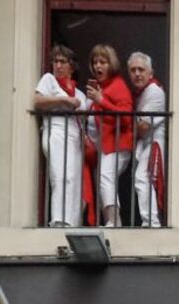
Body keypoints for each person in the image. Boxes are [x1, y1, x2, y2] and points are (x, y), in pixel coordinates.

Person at [35, 45, 87, 227]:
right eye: (55, 61)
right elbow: (38, 101)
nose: (57, 65)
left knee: (74, 179)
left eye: (62, 62)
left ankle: (72, 222)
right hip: (56, 130)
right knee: (60, 175)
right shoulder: (49, 81)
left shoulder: (79, 93)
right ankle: (58, 219)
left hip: (75, 136)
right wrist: (64, 100)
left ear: (71, 67)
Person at [85, 44, 133, 226]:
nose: (98, 66)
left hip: (119, 144)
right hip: (107, 145)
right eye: (95, 62)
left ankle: (114, 221)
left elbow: (127, 118)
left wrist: (101, 101)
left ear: (110, 64)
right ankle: (110, 220)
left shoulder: (118, 85)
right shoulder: (103, 87)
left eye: (103, 62)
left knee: (105, 176)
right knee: (103, 179)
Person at [127, 52, 166, 227]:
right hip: (144, 145)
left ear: (151, 73)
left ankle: (151, 223)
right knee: (142, 179)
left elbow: (143, 127)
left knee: (143, 178)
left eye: (141, 69)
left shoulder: (154, 92)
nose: (137, 73)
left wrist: (125, 130)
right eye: (133, 70)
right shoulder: (140, 94)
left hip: (153, 143)